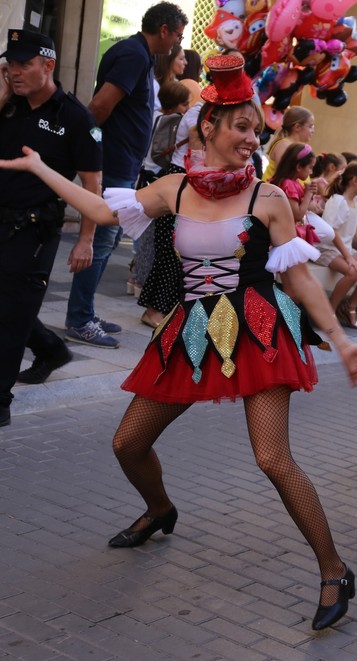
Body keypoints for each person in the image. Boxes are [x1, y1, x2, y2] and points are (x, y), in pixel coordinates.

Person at [0, 53, 357, 631]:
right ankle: (160, 509)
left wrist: (339, 337)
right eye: (241, 126)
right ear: (209, 128)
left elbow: (297, 275)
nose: (252, 138)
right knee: (127, 444)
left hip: (257, 330)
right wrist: (40, 168)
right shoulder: (173, 189)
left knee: (272, 458)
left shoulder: (268, 198)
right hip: (192, 331)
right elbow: (100, 208)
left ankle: (334, 569)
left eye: (257, 128)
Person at [64, 1, 187, 350]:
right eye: (176, 36)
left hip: (123, 163)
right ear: (163, 30)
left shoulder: (138, 54)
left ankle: (84, 310)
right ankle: (79, 319)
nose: (177, 43)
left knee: (108, 241)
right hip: (113, 162)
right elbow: (100, 106)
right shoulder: (133, 54)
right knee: (101, 241)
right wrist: (87, 148)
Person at [0, 29, 102, 425]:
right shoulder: (9, 104)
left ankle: (1, 401)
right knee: (12, 305)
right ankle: (51, 348)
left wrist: (86, 240)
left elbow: (93, 184)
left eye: (25, 65)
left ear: (48, 66)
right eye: (10, 65)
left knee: (9, 314)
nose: (15, 72)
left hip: (33, 231)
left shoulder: (75, 117)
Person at [132, 80, 190, 328]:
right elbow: (161, 154)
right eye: (186, 103)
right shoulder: (173, 121)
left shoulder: (153, 115)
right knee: (162, 245)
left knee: (152, 242)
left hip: (146, 175)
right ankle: (152, 304)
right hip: (158, 178)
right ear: (177, 104)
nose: (188, 107)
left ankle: (144, 289)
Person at [318, 161, 357, 330]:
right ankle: (328, 313)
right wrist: (348, 257)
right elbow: (332, 232)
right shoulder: (338, 200)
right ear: (354, 180)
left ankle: (350, 307)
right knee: (352, 272)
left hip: (344, 249)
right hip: (327, 248)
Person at [262, 106, 314, 182]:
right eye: (310, 126)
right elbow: (284, 177)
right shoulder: (284, 146)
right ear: (297, 127)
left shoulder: (297, 147)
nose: (313, 131)